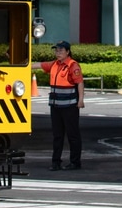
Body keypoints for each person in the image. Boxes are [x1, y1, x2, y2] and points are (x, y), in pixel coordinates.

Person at [33, 41, 85, 171]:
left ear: (68, 52)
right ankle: (56, 162)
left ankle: (75, 162)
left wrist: (81, 100)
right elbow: (38, 65)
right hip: (56, 106)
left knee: (73, 135)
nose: (58, 53)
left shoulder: (73, 65)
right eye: (56, 50)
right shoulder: (54, 64)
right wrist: (21, 65)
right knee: (57, 136)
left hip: (69, 106)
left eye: (61, 50)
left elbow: (79, 83)